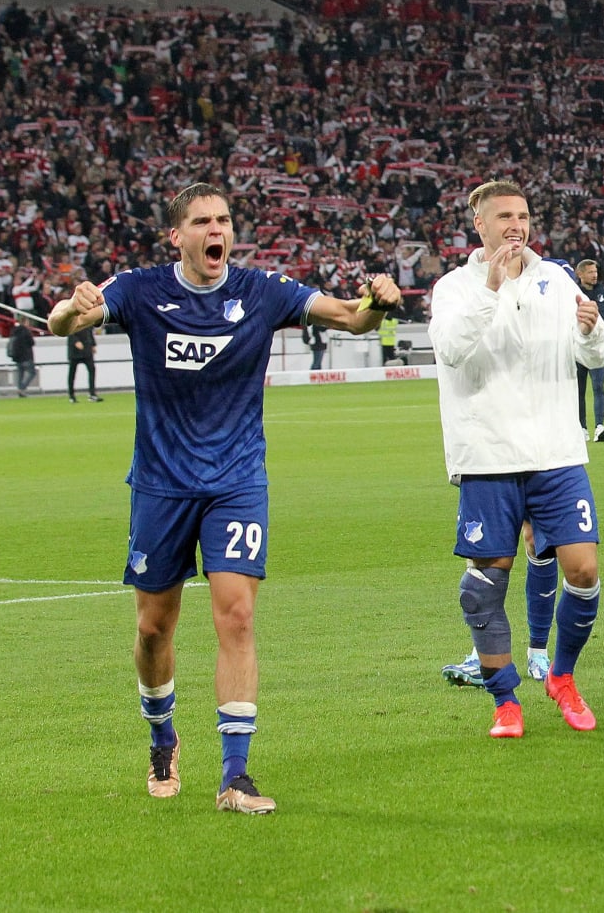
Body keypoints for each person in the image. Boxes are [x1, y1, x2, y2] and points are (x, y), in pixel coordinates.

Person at [45, 181, 402, 813]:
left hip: (237, 480)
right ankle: (163, 737)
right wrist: (75, 308)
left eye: (225, 220)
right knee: (155, 627)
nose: (218, 230)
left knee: (236, 615)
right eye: (204, 222)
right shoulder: (140, 289)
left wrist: (379, 299)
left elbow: (352, 317)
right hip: (161, 483)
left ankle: (235, 775)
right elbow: (60, 322)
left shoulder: (262, 291)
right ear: (176, 236)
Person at [429, 180, 604, 738]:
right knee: (485, 585)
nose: (516, 225)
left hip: (557, 451)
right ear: (479, 225)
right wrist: (491, 286)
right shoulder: (454, 287)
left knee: (583, 570)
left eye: (523, 215)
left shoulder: (555, 280)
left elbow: (597, 353)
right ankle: (505, 701)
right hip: (488, 455)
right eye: (504, 216)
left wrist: (593, 329)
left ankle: (562, 677)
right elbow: (452, 350)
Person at [575, 259, 604, 441]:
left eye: (595, 271)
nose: (594, 275)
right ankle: (581, 427)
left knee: (598, 386)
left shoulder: (601, 293)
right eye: (590, 272)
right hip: (578, 348)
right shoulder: (573, 293)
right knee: (579, 389)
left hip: (597, 348)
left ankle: (600, 426)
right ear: (580, 274)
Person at [67, 321, 103, 403]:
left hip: (87, 349)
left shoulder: (87, 319)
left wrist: (93, 345)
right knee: (72, 373)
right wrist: (75, 341)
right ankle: (71, 395)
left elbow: (90, 332)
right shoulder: (73, 319)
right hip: (75, 351)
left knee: (92, 370)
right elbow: (69, 332)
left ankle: (92, 394)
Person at [8, 318, 36, 396]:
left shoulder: (14, 331)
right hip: (26, 356)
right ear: (25, 322)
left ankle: (20, 389)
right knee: (32, 373)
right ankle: (22, 388)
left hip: (17, 357)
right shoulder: (26, 331)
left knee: (20, 374)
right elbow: (32, 342)